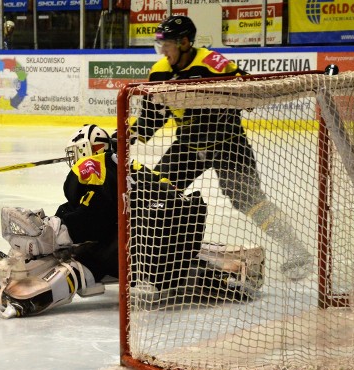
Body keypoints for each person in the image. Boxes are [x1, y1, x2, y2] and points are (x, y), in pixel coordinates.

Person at [0, 125, 263, 318]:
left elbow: (91, 214)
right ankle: (229, 273)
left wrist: (60, 231)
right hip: (181, 225)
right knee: (165, 260)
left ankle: (27, 298)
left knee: (87, 261)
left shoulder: (94, 163)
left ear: (85, 149)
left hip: (146, 240)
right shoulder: (126, 163)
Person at [122, 15, 312, 281]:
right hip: (188, 144)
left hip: (228, 143)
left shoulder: (213, 63)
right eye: (160, 45)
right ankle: (151, 254)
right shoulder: (160, 71)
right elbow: (153, 116)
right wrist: (125, 135)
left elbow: (249, 90)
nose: (163, 51)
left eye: (167, 45)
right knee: (154, 190)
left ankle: (297, 251)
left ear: (185, 42)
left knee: (249, 200)